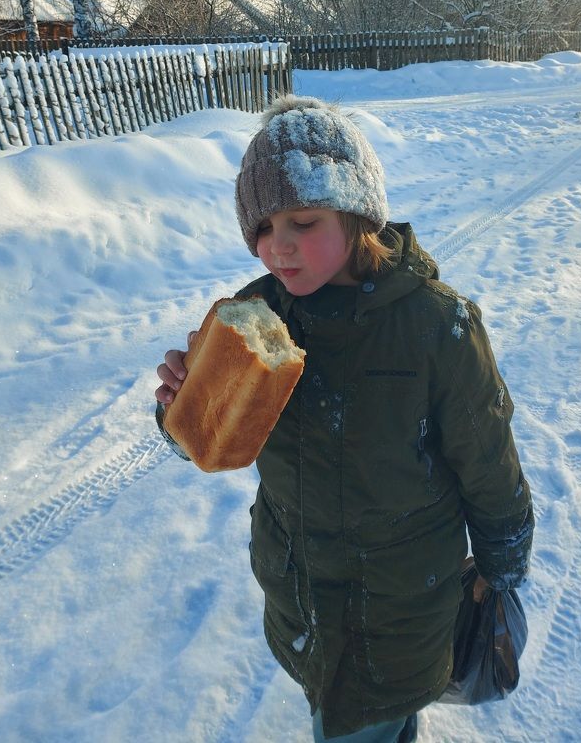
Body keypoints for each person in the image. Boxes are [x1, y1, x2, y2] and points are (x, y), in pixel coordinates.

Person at [155, 95, 534, 743]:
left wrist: (502, 564)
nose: (279, 249)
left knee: (361, 718)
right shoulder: (255, 314)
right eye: (263, 230)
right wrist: (179, 412)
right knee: (345, 703)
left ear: (359, 214)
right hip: (297, 580)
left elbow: (487, 460)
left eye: (302, 222)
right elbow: (210, 445)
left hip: (398, 598)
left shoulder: (434, 327)